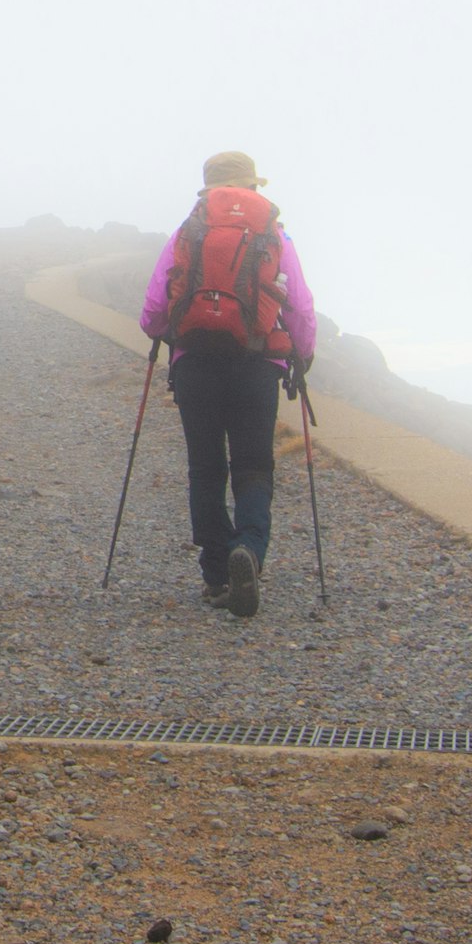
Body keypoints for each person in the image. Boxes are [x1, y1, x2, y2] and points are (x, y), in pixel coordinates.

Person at [138, 149, 317, 619]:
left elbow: (154, 306)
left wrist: (165, 335)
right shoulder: (274, 233)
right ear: (253, 187)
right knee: (254, 465)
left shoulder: (188, 231)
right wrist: (303, 354)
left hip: (195, 362)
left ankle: (217, 574)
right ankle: (250, 551)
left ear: (208, 189)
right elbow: (298, 304)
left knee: (206, 466)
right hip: (256, 364)